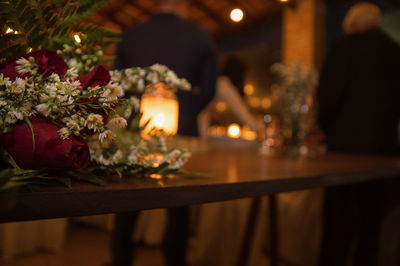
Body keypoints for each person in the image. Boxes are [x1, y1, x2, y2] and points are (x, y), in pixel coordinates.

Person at [109, 0, 217, 266]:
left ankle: (121, 259)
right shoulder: (200, 36)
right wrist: (188, 111)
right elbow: (210, 88)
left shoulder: (131, 34)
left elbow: (116, 83)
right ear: (184, 6)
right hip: (182, 133)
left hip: (135, 129)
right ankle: (175, 259)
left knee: (128, 200)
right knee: (179, 205)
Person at [316, 3, 400, 266]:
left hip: (343, 150)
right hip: (383, 151)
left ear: (352, 24)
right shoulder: (395, 52)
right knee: (370, 226)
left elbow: (328, 97)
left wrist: (321, 127)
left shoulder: (343, 47)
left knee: (337, 226)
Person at [198, 56, 262, 137]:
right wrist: (259, 128)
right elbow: (242, 113)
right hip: (197, 129)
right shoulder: (224, 83)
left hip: (198, 128)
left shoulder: (217, 82)